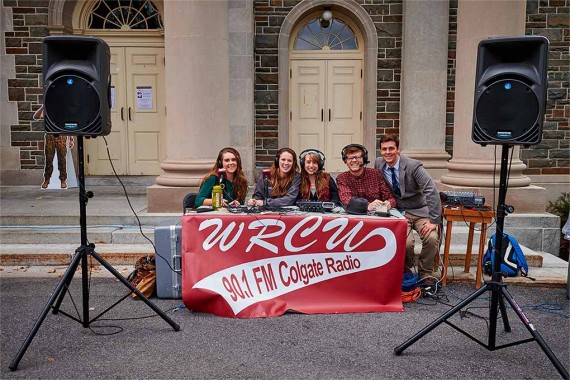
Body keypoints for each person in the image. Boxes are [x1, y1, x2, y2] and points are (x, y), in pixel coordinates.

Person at [374, 134, 442, 283]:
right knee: (405, 242)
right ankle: (406, 272)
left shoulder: (413, 166)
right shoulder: (378, 164)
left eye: (391, 148)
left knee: (431, 238)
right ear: (380, 151)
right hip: (398, 212)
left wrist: (434, 220)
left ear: (399, 149)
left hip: (419, 211)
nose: (388, 152)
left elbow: (431, 190)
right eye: (384, 149)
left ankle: (425, 275)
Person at [336, 143, 396, 211]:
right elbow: (346, 200)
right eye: (350, 158)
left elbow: (390, 197)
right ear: (345, 161)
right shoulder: (342, 178)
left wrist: (388, 203)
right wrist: (368, 205)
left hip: (377, 215)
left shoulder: (376, 174)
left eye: (358, 157)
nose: (354, 160)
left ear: (364, 159)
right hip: (354, 216)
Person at [34, 105, 74, 189]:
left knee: (62, 159)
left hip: (61, 136)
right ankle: (47, 179)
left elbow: (68, 124)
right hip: (50, 136)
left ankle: (63, 180)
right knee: (49, 159)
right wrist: (43, 106)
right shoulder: (48, 110)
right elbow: (36, 116)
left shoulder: (64, 111)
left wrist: (71, 139)